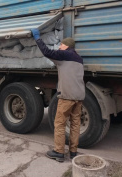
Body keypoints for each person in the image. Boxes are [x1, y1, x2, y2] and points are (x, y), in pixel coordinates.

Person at [31, 28, 85, 162]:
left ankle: (59, 152)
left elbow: (46, 52)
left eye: (61, 44)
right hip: (79, 97)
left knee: (60, 123)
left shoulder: (64, 55)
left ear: (66, 46)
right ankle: (73, 152)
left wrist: (37, 38)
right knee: (75, 124)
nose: (59, 46)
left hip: (67, 96)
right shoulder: (79, 59)